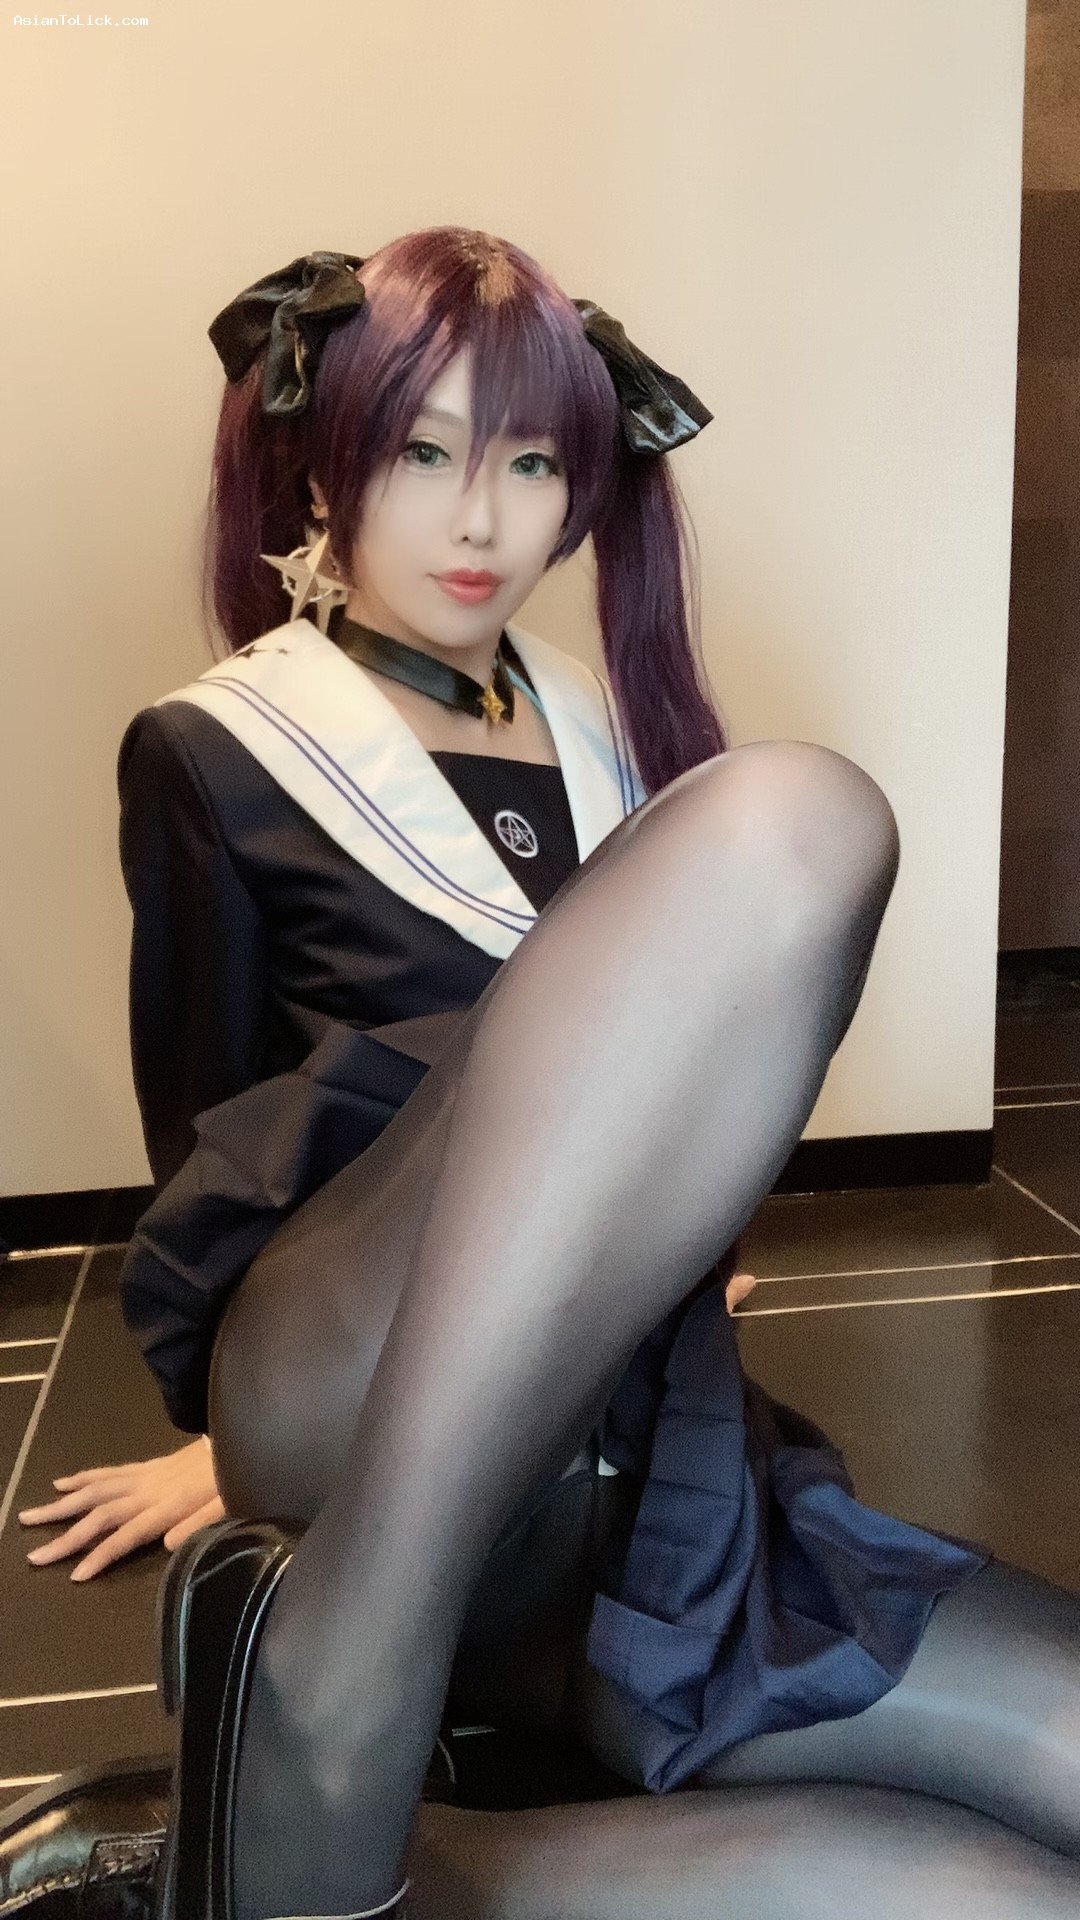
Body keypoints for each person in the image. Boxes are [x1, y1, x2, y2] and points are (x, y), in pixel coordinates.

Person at [58, 231, 1080, 1918]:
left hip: (612, 1445)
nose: (482, 521)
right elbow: (207, 1141)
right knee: (803, 816)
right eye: (424, 452)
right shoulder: (220, 747)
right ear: (323, 460)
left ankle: (415, 1859)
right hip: (348, 1380)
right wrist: (233, 1439)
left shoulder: (601, 723)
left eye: (533, 463)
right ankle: (333, 1679)